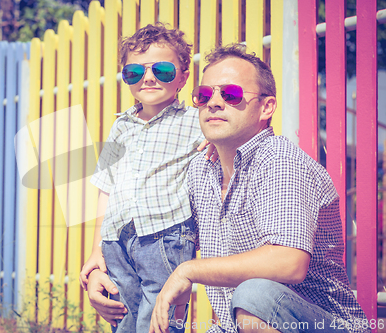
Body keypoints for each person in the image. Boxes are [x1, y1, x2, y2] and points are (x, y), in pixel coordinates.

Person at [88, 44, 369, 333]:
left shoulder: (279, 161)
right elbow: (152, 226)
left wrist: (188, 271)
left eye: (231, 94)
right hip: (235, 326)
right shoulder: (199, 170)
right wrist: (102, 269)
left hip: (325, 325)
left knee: (254, 294)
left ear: (266, 107)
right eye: (205, 95)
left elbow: (289, 262)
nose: (214, 103)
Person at [79, 23, 208, 333]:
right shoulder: (120, 126)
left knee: (160, 319)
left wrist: (214, 142)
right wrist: (97, 249)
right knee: (122, 317)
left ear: (183, 76)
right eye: (135, 72)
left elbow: (224, 140)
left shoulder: (195, 120)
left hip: (165, 234)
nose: (148, 78)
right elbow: (106, 189)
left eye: (161, 69)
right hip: (116, 239)